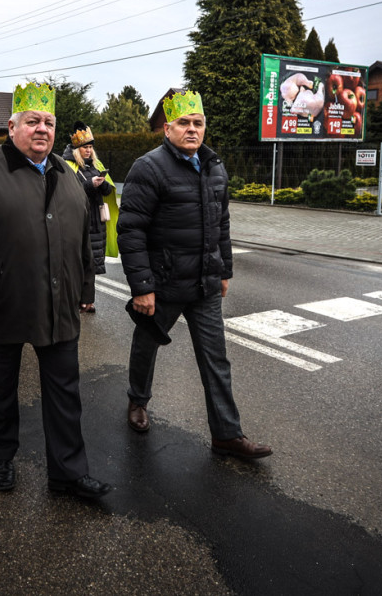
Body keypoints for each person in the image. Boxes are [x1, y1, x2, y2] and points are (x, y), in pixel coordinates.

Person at [0, 82, 110, 500]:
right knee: (0, 388)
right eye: (32, 121)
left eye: (49, 122)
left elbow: (80, 235)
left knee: (65, 392)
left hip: (59, 305)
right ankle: (1, 456)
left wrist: (86, 286)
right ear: (11, 125)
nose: (42, 129)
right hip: (2, 303)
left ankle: (68, 473)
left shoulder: (64, 173)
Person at [116, 89, 272, 460]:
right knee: (146, 345)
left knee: (216, 358)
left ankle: (227, 434)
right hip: (164, 284)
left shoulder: (215, 166)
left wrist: (224, 271)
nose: (191, 129)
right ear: (166, 129)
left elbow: (222, 225)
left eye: (197, 123)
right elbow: (131, 230)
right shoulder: (148, 167)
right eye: (183, 123)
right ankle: (138, 401)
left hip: (203, 283)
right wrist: (142, 287)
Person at [62, 122, 120, 310]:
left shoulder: (96, 165)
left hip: (96, 219)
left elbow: (107, 190)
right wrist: (89, 184)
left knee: (92, 261)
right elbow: (68, 191)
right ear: (77, 149)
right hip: (78, 219)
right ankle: (76, 298)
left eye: (90, 147)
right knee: (77, 261)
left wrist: (101, 183)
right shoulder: (69, 166)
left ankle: (88, 300)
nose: (88, 151)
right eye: (85, 147)